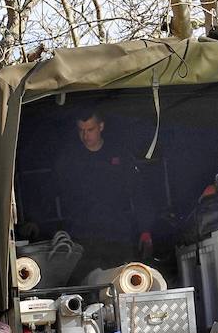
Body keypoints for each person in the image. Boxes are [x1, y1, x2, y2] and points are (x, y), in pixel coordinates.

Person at [52, 110, 154, 272]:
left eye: (90, 129)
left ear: (101, 126)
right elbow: (53, 194)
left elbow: (139, 193)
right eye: (81, 130)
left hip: (118, 235)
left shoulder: (119, 155)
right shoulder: (70, 159)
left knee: (123, 282)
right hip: (83, 238)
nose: (86, 135)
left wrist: (145, 229)